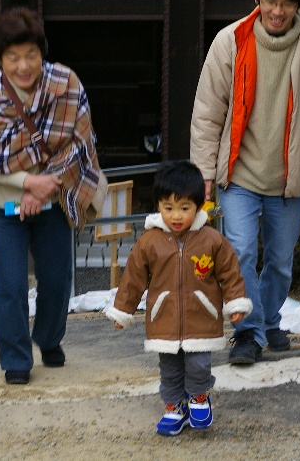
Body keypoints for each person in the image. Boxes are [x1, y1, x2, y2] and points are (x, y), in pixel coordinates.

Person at [190, 0, 300, 364]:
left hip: (289, 179)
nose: (277, 11)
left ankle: (269, 319)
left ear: (298, 3)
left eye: (287, 3)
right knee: (240, 253)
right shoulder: (230, 41)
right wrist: (204, 171)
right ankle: (249, 333)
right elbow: (208, 112)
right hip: (239, 174)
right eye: (270, 1)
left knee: (279, 262)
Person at [0, 8, 103, 385]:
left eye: (30, 54)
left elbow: (81, 143)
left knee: (57, 279)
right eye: (13, 57)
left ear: (42, 52)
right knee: (9, 283)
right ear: (1, 58)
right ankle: (16, 359)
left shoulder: (66, 84)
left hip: (52, 200)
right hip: (2, 204)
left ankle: (49, 338)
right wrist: (28, 183)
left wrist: (44, 185)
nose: (23, 65)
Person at [106, 161, 251, 436]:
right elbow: (133, 278)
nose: (176, 215)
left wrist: (235, 301)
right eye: (168, 207)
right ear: (158, 206)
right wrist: (123, 311)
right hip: (164, 318)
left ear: (198, 206)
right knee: (170, 369)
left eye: (184, 208)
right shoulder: (149, 241)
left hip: (202, 317)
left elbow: (230, 272)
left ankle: (199, 397)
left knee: (198, 364)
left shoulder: (212, 240)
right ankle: (175, 408)